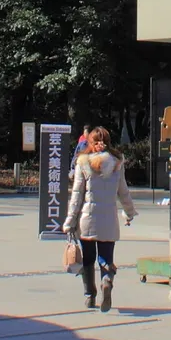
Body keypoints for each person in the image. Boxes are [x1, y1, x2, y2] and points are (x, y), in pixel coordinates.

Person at [63, 126, 136, 311]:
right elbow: (123, 192)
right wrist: (129, 212)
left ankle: (89, 295)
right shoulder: (117, 163)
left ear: (90, 143)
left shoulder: (83, 163)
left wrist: (69, 221)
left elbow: (77, 196)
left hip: (86, 220)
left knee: (88, 259)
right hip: (109, 219)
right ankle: (106, 279)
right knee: (105, 257)